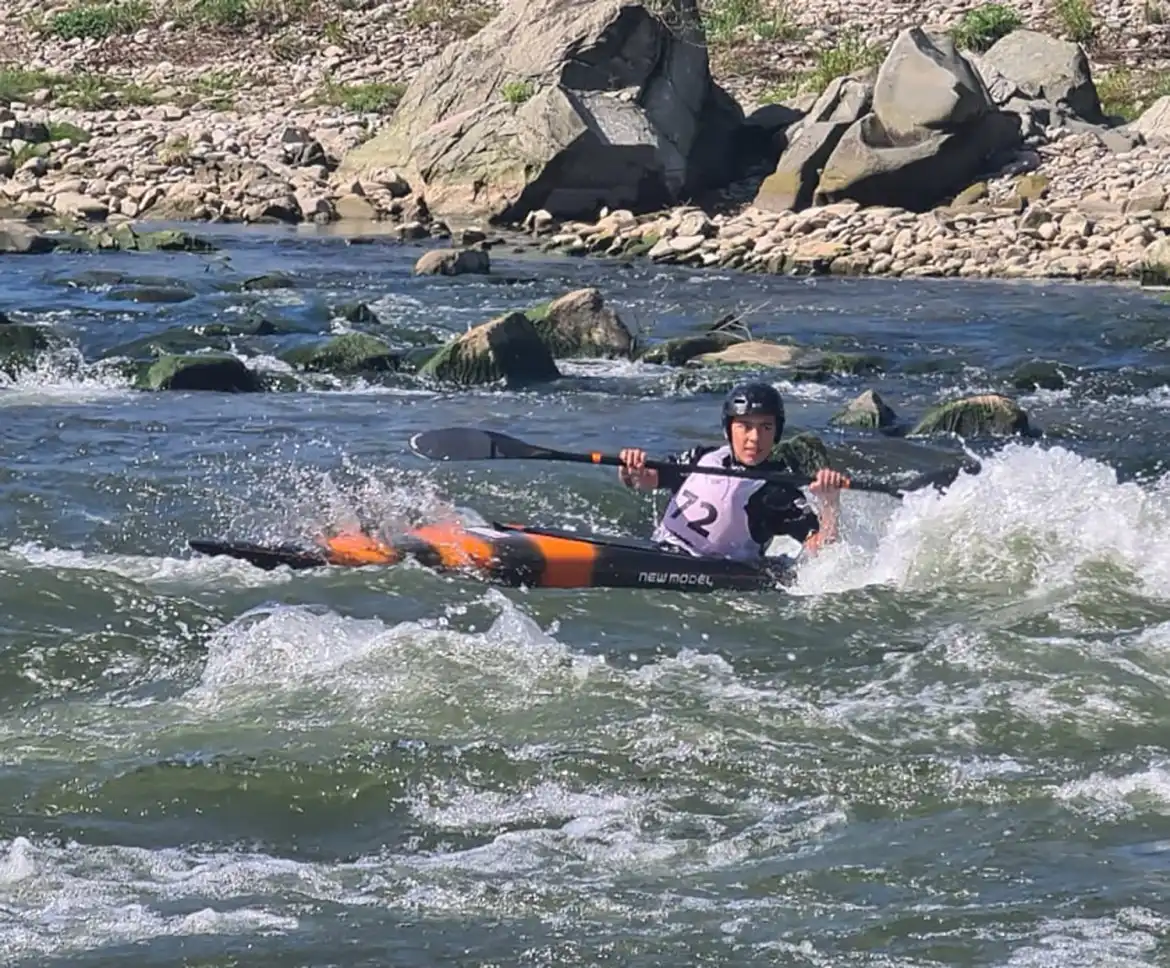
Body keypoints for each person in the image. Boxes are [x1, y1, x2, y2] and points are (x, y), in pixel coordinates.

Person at [617, 382, 848, 561]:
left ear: (776, 433)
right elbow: (643, 481)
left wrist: (830, 502)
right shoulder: (700, 458)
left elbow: (821, 548)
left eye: (765, 427)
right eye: (745, 426)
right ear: (729, 429)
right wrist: (630, 467)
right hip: (659, 549)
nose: (755, 438)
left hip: (712, 570)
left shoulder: (778, 492)